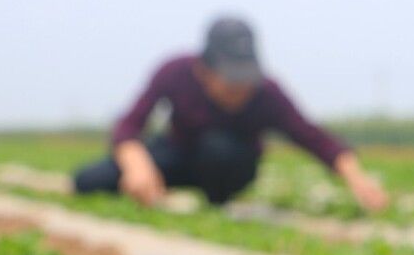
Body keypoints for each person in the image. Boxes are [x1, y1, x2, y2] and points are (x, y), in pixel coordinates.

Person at [72, 17, 388, 211]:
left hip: (231, 165)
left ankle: (213, 204)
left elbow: (314, 138)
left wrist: (358, 180)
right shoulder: (174, 72)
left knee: (219, 149)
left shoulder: (267, 92)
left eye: (246, 79)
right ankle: (156, 192)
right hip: (179, 154)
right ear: (203, 69)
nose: (241, 90)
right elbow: (129, 126)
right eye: (231, 81)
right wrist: (137, 166)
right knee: (90, 180)